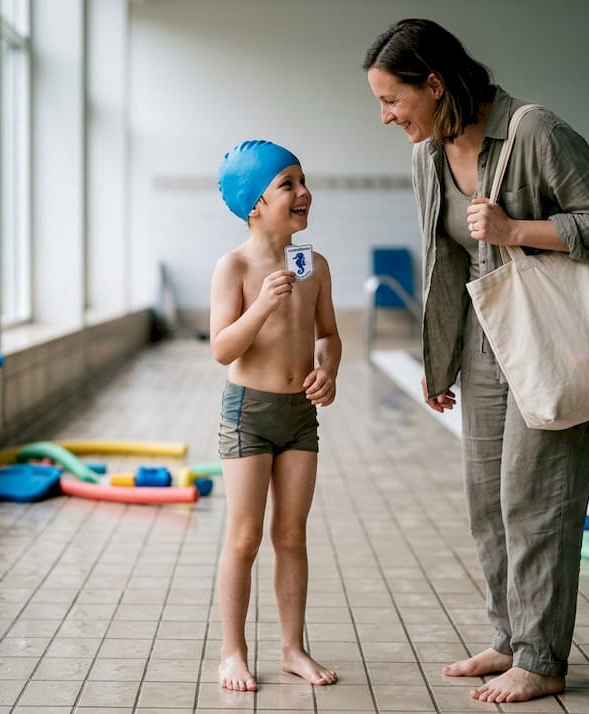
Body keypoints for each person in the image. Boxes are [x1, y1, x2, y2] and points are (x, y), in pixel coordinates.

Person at [363, 19, 589, 704]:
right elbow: (444, 261)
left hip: (554, 343)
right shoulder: (430, 153)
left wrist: (517, 232)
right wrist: (440, 360)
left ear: (434, 82)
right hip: (486, 344)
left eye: (392, 100)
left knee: (535, 501)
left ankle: (542, 659)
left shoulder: (535, 131)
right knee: (489, 502)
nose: (385, 116)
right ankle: (510, 639)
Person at [209, 139, 342, 691]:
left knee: (291, 534)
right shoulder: (235, 266)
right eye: (287, 183)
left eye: (302, 180)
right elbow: (222, 348)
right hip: (249, 413)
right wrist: (261, 303)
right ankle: (232, 652)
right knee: (244, 536)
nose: (303, 192)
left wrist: (328, 370)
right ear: (254, 204)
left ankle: (292, 648)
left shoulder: (311, 263)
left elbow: (329, 334)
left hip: (299, 416)